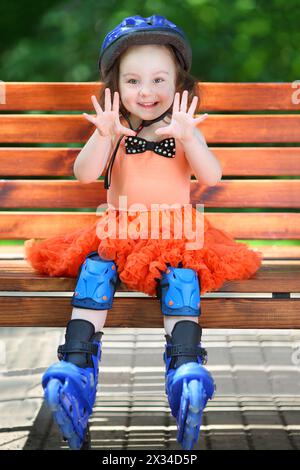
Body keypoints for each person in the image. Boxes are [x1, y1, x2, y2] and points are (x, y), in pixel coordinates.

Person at [24, 14, 263, 451]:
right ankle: (77, 365)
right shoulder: (113, 134)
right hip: (119, 229)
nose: (146, 91)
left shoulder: (184, 132)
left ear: (178, 86)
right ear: (115, 88)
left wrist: (191, 140)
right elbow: (84, 175)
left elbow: (211, 174)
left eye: (158, 80)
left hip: (174, 231)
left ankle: (185, 366)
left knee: (183, 279)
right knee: (95, 274)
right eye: (133, 81)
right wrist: (102, 136)